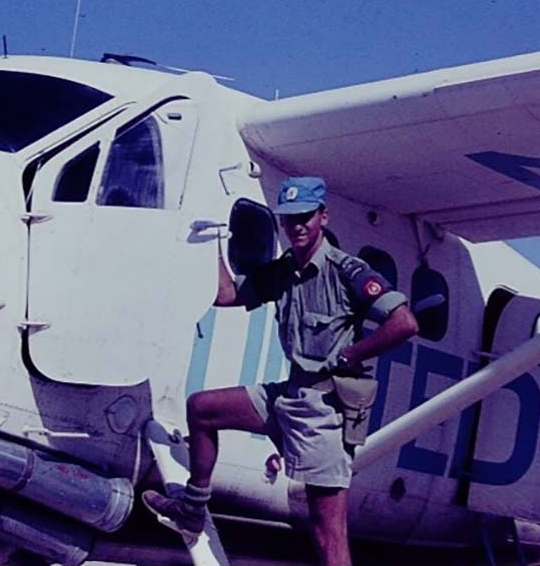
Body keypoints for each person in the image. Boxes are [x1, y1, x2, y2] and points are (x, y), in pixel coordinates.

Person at [143, 176, 419, 566]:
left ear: (323, 216)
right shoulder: (285, 270)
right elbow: (227, 295)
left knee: (328, 533)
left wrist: (353, 353)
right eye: (288, 219)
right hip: (289, 395)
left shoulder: (347, 271)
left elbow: (404, 323)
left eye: (305, 216)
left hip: (326, 411)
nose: (297, 226)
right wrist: (212, 245)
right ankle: (192, 508)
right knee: (203, 408)